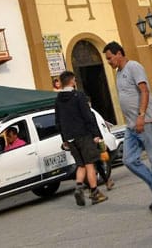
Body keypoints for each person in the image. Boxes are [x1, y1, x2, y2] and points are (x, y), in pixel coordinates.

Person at [103, 41, 152, 213]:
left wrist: (141, 116)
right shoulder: (118, 73)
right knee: (129, 160)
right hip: (131, 126)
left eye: (109, 58)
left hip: (144, 122)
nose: (108, 62)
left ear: (119, 53)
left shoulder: (133, 67)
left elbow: (144, 91)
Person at [54, 70, 108, 206]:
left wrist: (64, 139)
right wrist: (96, 134)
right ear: (72, 81)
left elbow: (58, 121)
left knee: (80, 164)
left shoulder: (58, 100)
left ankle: (79, 187)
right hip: (83, 134)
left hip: (69, 137)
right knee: (89, 164)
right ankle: (95, 193)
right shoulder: (78, 95)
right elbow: (87, 116)